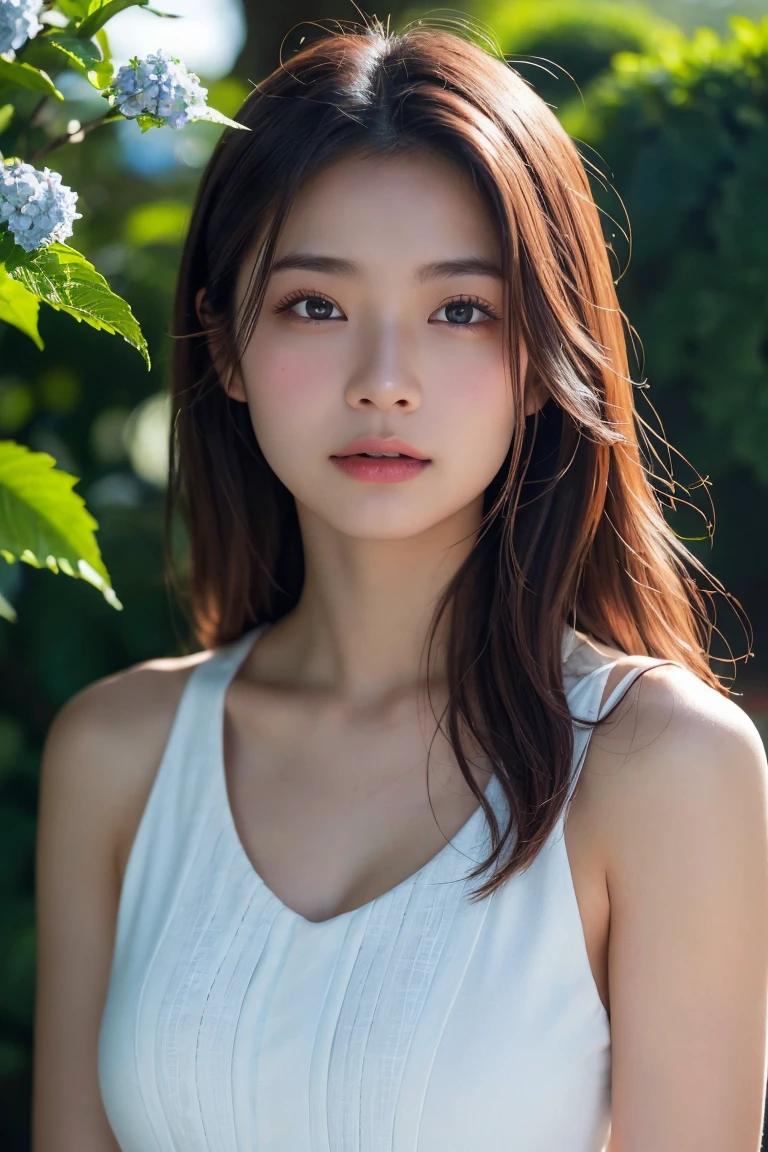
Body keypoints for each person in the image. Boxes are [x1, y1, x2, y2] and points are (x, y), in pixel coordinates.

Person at [32, 19, 768, 1152]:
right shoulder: (117, 755)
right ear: (225, 344)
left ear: (543, 361)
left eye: (461, 311)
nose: (385, 382)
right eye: (316, 306)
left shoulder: (665, 767)